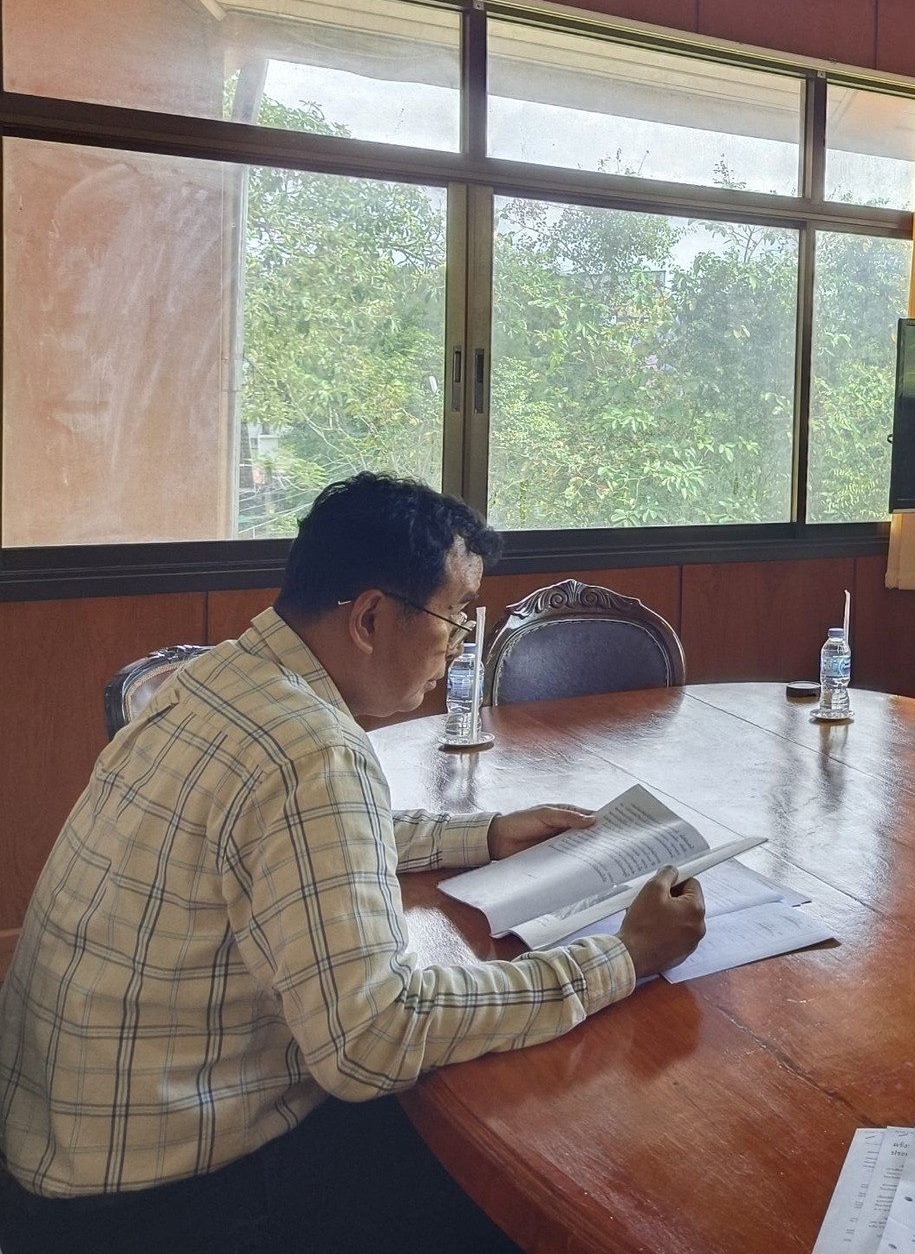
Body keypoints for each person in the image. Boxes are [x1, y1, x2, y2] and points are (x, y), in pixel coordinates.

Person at [0, 474, 710, 1251]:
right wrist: (621, 955)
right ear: (370, 618)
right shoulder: (311, 752)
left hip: (62, 1152)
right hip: (157, 1208)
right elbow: (373, 1037)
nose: (459, 645)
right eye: (455, 617)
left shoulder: (222, 681)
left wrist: (484, 835)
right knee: (506, 1191)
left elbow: (288, 839)